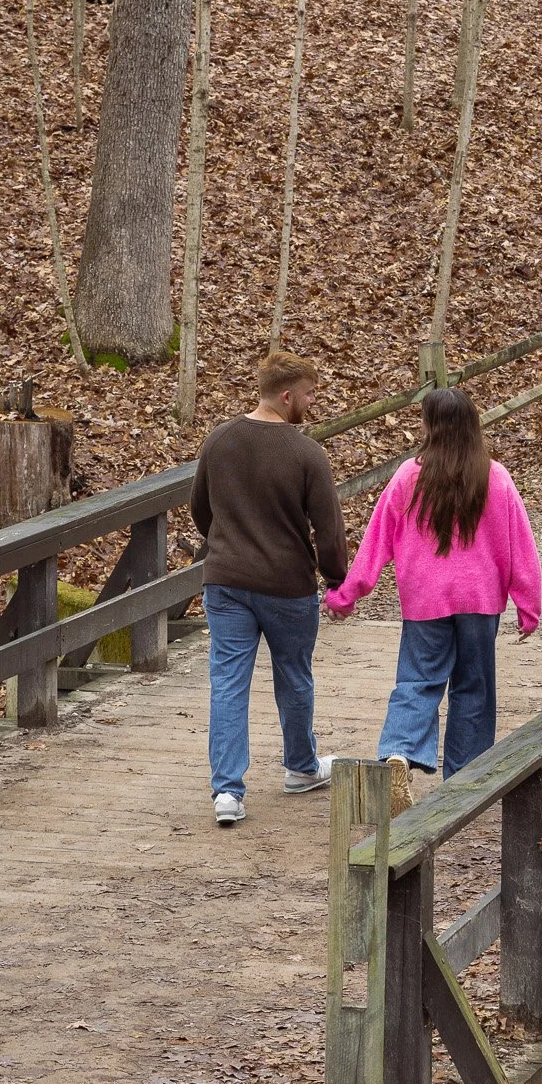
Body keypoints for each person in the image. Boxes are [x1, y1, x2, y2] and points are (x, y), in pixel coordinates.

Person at [324, 387, 542, 816]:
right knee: (473, 688)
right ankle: (464, 782)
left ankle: (399, 754)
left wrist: (348, 593)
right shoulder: (494, 476)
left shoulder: (409, 476)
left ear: (429, 426)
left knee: (418, 680)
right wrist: (527, 602)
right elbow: (520, 542)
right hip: (480, 600)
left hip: (424, 599)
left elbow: (376, 539)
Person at [190, 350, 348, 827]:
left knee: (228, 683)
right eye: (308, 393)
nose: (312, 402)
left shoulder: (219, 440)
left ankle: (227, 792)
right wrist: (337, 577)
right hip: (287, 587)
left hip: (227, 582)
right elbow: (329, 527)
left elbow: (201, 508)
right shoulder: (306, 452)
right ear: (286, 395)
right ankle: (300, 767)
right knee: (294, 677)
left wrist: (227, 543)